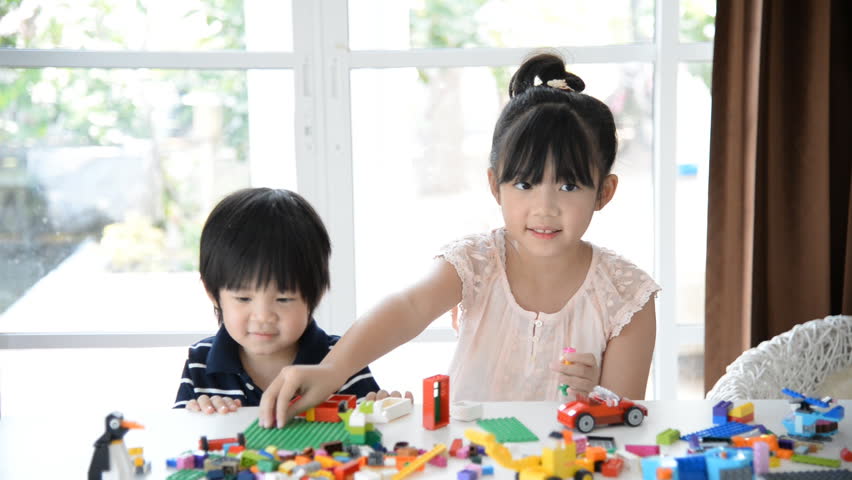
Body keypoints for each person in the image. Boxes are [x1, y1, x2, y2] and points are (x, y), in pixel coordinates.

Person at [258, 52, 661, 428]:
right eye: (524, 183)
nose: (545, 207)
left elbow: (626, 421)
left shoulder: (627, 296)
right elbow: (409, 306)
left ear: (604, 192)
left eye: (569, 185)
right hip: (468, 458)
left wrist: (593, 395)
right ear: (495, 186)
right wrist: (332, 369)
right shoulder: (476, 262)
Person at [173, 188, 384, 413]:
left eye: (283, 299)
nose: (263, 316)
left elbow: (372, 431)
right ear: (212, 293)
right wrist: (201, 415)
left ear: (315, 295)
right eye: (244, 298)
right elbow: (183, 436)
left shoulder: (342, 357)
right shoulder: (200, 361)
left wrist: (384, 410)